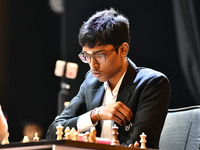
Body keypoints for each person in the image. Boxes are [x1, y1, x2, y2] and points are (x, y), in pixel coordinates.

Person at [46, 8, 170, 148]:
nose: (92, 65)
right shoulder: (91, 81)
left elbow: (134, 146)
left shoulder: (152, 84)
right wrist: (95, 114)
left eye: (99, 55)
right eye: (86, 56)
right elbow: (53, 132)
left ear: (123, 50)